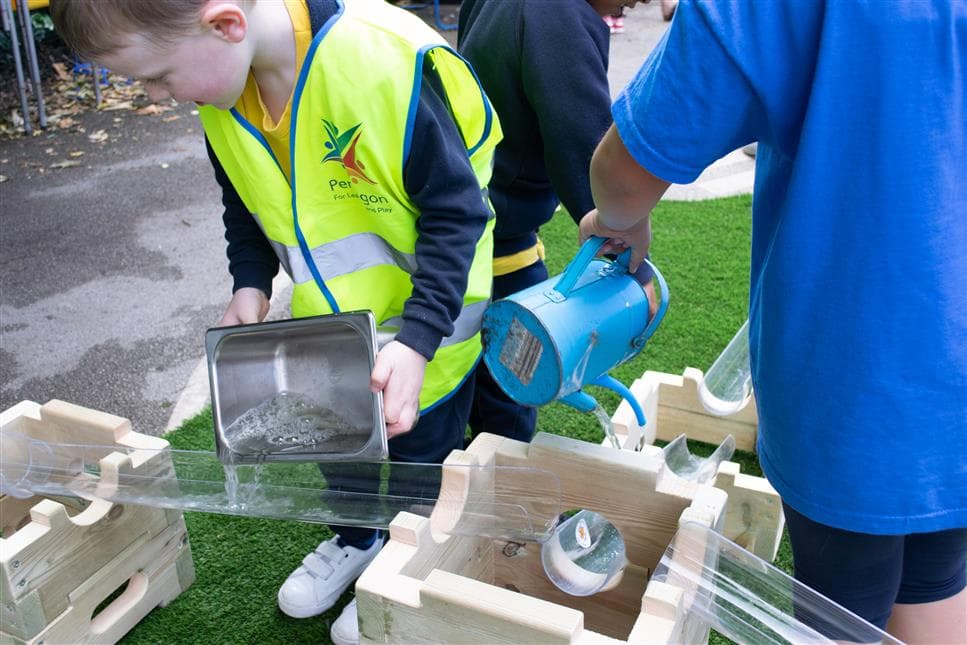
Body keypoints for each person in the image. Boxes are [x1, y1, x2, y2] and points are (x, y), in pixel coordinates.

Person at [49, 0, 501, 643]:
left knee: (418, 467)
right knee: (342, 456)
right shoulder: (224, 93)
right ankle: (356, 539)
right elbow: (247, 202)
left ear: (225, 25)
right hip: (332, 339)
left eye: (159, 75)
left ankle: (402, 568)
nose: (158, 95)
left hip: (428, 340)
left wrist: (421, 339)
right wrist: (250, 282)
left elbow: (458, 215)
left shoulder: (387, 61)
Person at [580, 1, 966, 641]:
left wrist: (616, 222)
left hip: (855, 382)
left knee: (843, 607)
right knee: (935, 575)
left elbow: (624, 169)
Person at [458, 0, 649, 444]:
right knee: (513, 386)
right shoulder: (557, 14)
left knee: (464, 382)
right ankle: (498, 495)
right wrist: (621, 229)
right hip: (498, 240)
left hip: (464, 220)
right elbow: (584, 141)